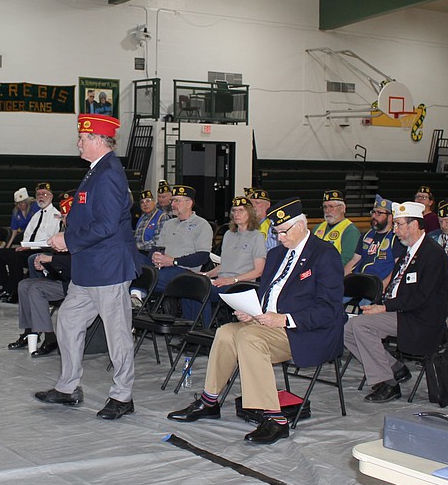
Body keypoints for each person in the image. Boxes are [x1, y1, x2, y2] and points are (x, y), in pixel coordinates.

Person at [167, 198, 346, 443]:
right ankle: (210, 400)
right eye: (277, 232)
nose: (280, 238)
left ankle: (274, 418)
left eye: (284, 232)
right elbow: (267, 292)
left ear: (302, 225)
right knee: (226, 332)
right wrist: (251, 311)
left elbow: (330, 309)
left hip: (303, 330)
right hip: (267, 323)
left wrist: (284, 319)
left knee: (249, 338)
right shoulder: (276, 254)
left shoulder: (324, 255)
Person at [35, 115, 139, 421]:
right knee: (67, 321)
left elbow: (106, 225)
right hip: (89, 268)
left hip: (106, 269)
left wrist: (68, 239)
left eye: (83, 137)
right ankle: (68, 387)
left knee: (117, 335)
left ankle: (123, 396)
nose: (79, 143)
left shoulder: (108, 174)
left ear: (98, 140)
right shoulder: (96, 172)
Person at [344, 201, 448, 402]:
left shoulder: (432, 254)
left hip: (419, 318)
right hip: (402, 311)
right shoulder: (408, 252)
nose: (395, 230)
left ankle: (386, 383)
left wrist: (383, 308)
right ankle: (394, 367)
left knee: (361, 325)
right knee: (346, 328)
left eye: (399, 225)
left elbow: (421, 297)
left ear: (414, 225)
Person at [193, 196, 267, 326]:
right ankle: (191, 329)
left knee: (201, 292)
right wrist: (207, 275)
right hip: (222, 281)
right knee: (192, 287)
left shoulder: (257, 237)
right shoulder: (229, 235)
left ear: (250, 213)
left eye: (241, 210)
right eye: (234, 211)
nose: (236, 214)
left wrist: (233, 279)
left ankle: (204, 330)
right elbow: (225, 265)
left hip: (241, 285)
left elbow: (258, 271)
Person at [0, 183, 61, 302]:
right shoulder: (36, 215)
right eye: (38, 194)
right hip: (28, 248)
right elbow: (27, 234)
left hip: (41, 250)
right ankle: (5, 287)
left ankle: (16, 292)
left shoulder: (55, 215)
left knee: (15, 257)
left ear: (51, 196)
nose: (41, 197)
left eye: (44, 194)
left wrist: (28, 247)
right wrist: (24, 245)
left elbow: (49, 240)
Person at [148, 184, 213, 294]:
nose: (172, 204)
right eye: (172, 201)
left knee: (149, 278)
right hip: (163, 267)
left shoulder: (201, 225)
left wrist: (173, 261)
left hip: (184, 270)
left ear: (189, 203)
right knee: (133, 264)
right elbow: (156, 247)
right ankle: (137, 296)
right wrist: (154, 256)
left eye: (177, 201)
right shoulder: (169, 224)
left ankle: (138, 295)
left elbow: (202, 257)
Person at [7, 251, 70, 358]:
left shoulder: (79, 242)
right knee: (23, 285)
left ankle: (50, 336)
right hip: (61, 279)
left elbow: (73, 264)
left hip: (73, 284)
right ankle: (30, 331)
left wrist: (51, 260)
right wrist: (46, 267)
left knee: (35, 289)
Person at [345, 195, 401, 284]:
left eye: (379, 213)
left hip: (377, 285)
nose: (374, 216)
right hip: (358, 281)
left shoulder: (396, 238)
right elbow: (354, 260)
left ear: (390, 217)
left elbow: (399, 267)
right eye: (373, 212)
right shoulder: (366, 235)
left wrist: (384, 286)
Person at [313, 190, 361, 265]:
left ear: (342, 208)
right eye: (325, 207)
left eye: (331, 207)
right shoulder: (317, 228)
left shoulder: (350, 231)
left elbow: (347, 260)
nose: (327, 210)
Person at [133, 190, 168, 256]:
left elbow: (158, 242)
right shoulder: (142, 218)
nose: (145, 204)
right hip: (137, 252)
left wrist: (138, 246)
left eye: (148, 201)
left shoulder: (162, 217)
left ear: (154, 202)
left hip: (152, 254)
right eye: (142, 202)